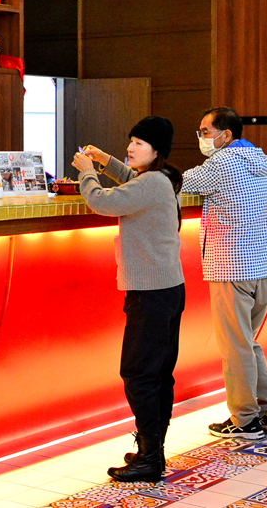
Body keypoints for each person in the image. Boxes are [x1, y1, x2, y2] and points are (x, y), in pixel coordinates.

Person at [72, 116, 186, 483]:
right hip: (167, 289)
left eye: (139, 143)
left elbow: (101, 201)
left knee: (138, 375)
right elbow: (130, 182)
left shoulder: (151, 183)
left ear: (156, 151)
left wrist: (87, 171)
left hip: (151, 293)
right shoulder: (162, 178)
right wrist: (105, 160)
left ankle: (150, 457)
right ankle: (153, 450)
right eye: (131, 141)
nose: (130, 148)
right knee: (157, 375)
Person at [181, 106, 267, 440]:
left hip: (231, 268)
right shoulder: (258, 159)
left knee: (235, 348)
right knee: (246, 343)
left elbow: (175, 183)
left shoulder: (222, 163)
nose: (201, 138)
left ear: (226, 135)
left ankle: (245, 419)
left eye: (205, 131)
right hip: (261, 267)